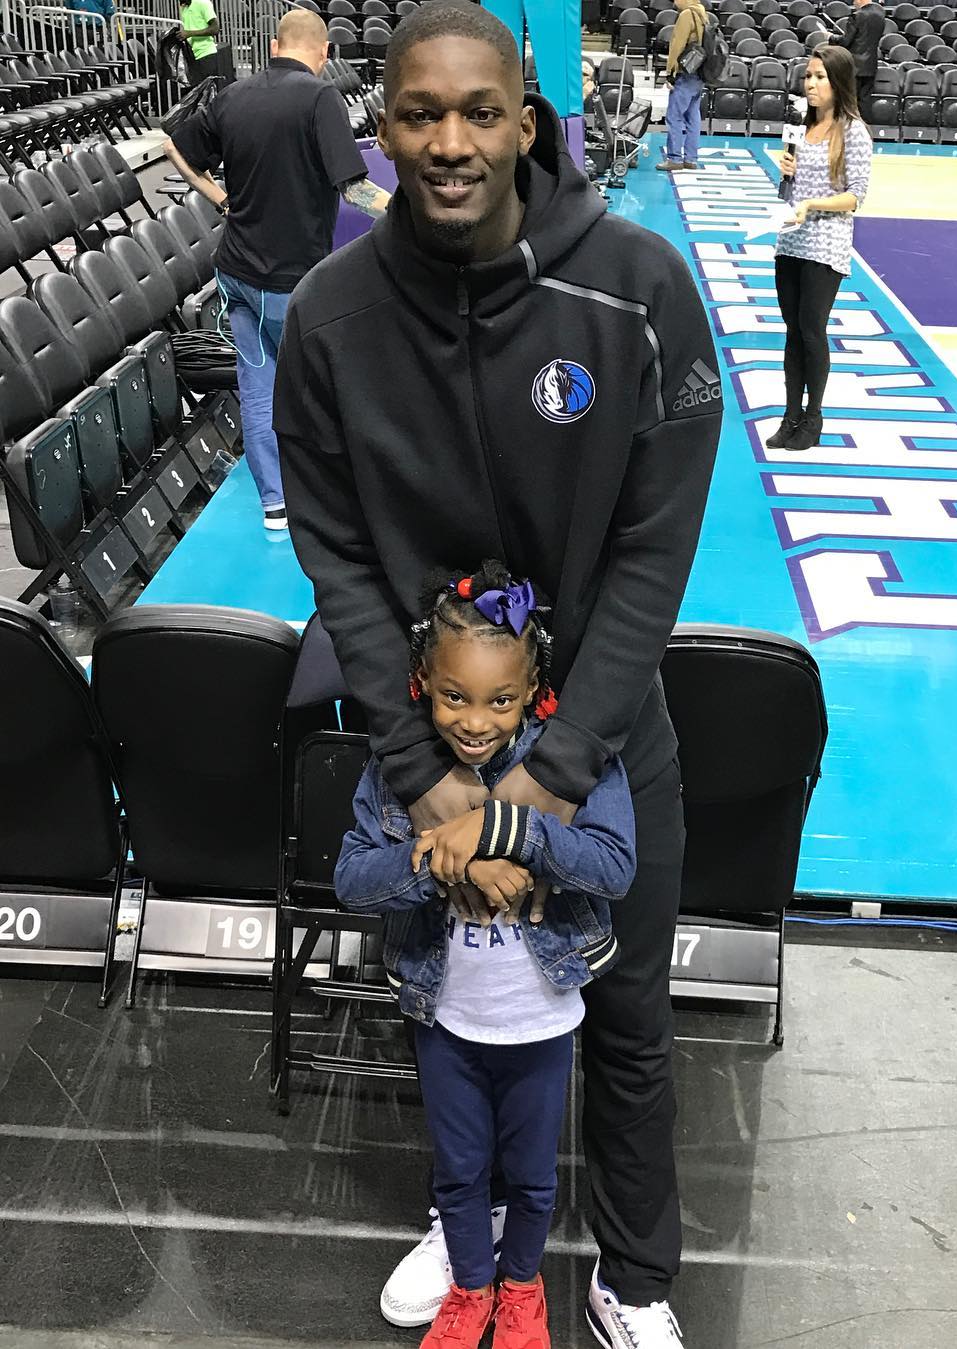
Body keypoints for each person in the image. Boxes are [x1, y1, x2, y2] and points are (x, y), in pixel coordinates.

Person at [273, 4, 722, 1343]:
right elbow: (340, 559)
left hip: (601, 734)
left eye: (481, 112)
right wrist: (425, 778)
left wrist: (553, 768)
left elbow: (655, 551)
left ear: (529, 122)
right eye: (421, 113)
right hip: (433, 741)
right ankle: (463, 1228)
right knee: (457, 1003)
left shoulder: (637, 288)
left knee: (627, 1013)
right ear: (383, 125)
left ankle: (633, 1274)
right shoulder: (329, 317)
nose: (451, 141)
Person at [335, 561, 637, 1349]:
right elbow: (351, 879)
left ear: (534, 689)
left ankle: (523, 1287)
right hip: (446, 1020)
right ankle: (470, 1287)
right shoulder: (396, 776)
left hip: (538, 1024)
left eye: (501, 699)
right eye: (454, 696)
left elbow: (614, 865)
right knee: (460, 1173)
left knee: (535, 1177)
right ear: (421, 682)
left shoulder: (572, 765)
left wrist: (517, 832)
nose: (476, 720)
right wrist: (441, 858)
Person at [163, 10, 390, 531]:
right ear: (325, 52)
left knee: (259, 387)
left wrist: (222, 199)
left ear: (271, 45)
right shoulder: (319, 97)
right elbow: (354, 188)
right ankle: (334, 495)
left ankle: (275, 504)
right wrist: (415, 215)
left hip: (236, 274)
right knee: (324, 387)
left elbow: (176, 146)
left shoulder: (233, 95)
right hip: (291, 283)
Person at [770, 45, 872, 453]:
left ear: (838, 82)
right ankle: (790, 415)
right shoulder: (801, 126)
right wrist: (787, 177)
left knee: (812, 331)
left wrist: (812, 204)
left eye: (819, 78)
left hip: (825, 246)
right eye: (807, 77)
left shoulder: (853, 132)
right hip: (790, 240)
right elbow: (788, 194)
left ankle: (813, 417)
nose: (810, 85)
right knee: (793, 333)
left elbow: (856, 196)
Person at [657, 0, 708, 172]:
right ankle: (691, 159)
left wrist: (670, 73)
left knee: (674, 116)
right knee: (693, 116)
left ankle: (674, 159)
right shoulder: (702, 13)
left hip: (686, 72)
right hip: (699, 73)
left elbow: (677, 45)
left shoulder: (687, 15)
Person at [834, 0, 886, 123]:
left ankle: (849, 130)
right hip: (871, 66)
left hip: (854, 66)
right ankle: (866, 131)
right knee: (865, 101)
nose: (853, 2)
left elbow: (846, 42)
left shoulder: (856, 16)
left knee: (849, 100)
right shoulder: (880, 16)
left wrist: (831, 38)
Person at [178, 0, 219, 83]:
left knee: (208, 91)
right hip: (191, 56)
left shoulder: (203, 3)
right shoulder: (184, 8)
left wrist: (189, 34)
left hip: (206, 54)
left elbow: (215, 28)